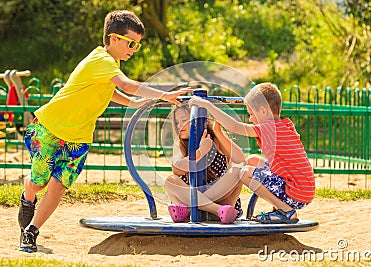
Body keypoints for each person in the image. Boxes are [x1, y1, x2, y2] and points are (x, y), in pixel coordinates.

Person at [18, 10, 191, 253]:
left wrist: (133, 103)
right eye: (131, 43)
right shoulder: (101, 60)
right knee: (39, 184)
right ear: (113, 38)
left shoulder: (111, 64)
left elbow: (109, 90)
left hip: (78, 139)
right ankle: (28, 196)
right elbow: (125, 84)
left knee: (57, 188)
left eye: (137, 45)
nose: (133, 48)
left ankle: (31, 231)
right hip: (50, 129)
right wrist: (162, 94)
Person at [189, 82, 315, 224]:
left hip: (295, 192)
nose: (250, 119)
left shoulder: (268, 128)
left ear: (263, 111)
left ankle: (286, 211)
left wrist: (207, 105)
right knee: (252, 161)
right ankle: (279, 208)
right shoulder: (285, 125)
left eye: (251, 114)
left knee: (245, 173)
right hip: (303, 188)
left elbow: (235, 127)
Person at [165, 104, 244, 224]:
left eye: (184, 120)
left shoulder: (215, 138)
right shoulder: (180, 144)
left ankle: (195, 210)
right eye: (177, 122)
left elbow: (239, 158)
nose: (180, 126)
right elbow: (177, 170)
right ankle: (216, 210)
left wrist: (218, 132)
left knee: (237, 173)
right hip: (194, 197)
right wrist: (201, 152)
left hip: (217, 197)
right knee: (170, 180)